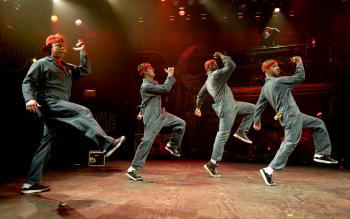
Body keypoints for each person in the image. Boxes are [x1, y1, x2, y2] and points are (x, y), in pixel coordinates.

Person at [21, 33, 125, 194]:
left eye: (63, 46)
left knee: (48, 145)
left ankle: (31, 183)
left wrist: (83, 53)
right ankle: (106, 143)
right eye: (58, 46)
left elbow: (85, 70)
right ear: (50, 48)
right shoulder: (41, 64)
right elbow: (28, 82)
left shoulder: (66, 66)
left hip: (59, 106)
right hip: (49, 103)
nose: (62, 48)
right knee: (83, 111)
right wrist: (29, 99)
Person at [253, 56, 338, 186]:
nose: (278, 68)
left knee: (318, 123)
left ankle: (321, 154)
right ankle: (268, 170)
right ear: (267, 69)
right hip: (291, 115)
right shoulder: (278, 82)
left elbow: (259, 105)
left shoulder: (265, 88)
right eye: (275, 66)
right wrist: (299, 63)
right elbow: (300, 77)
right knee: (290, 143)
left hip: (293, 115)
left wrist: (257, 120)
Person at [195, 52, 256, 177]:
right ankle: (212, 163)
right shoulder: (216, 75)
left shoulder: (207, 82)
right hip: (226, 107)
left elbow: (200, 95)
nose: (214, 64)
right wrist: (221, 55)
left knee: (253, 109)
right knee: (223, 134)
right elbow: (231, 66)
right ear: (207, 69)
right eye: (211, 64)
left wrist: (198, 107)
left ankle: (241, 131)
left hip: (233, 105)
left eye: (215, 63)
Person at [125, 63, 186, 181]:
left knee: (181, 124)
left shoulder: (153, 83)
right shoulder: (146, 85)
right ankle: (132, 169)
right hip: (152, 118)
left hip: (161, 114)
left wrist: (141, 112)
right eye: (150, 68)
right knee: (147, 141)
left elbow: (145, 101)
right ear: (144, 72)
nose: (153, 69)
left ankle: (172, 144)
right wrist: (170, 75)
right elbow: (165, 88)